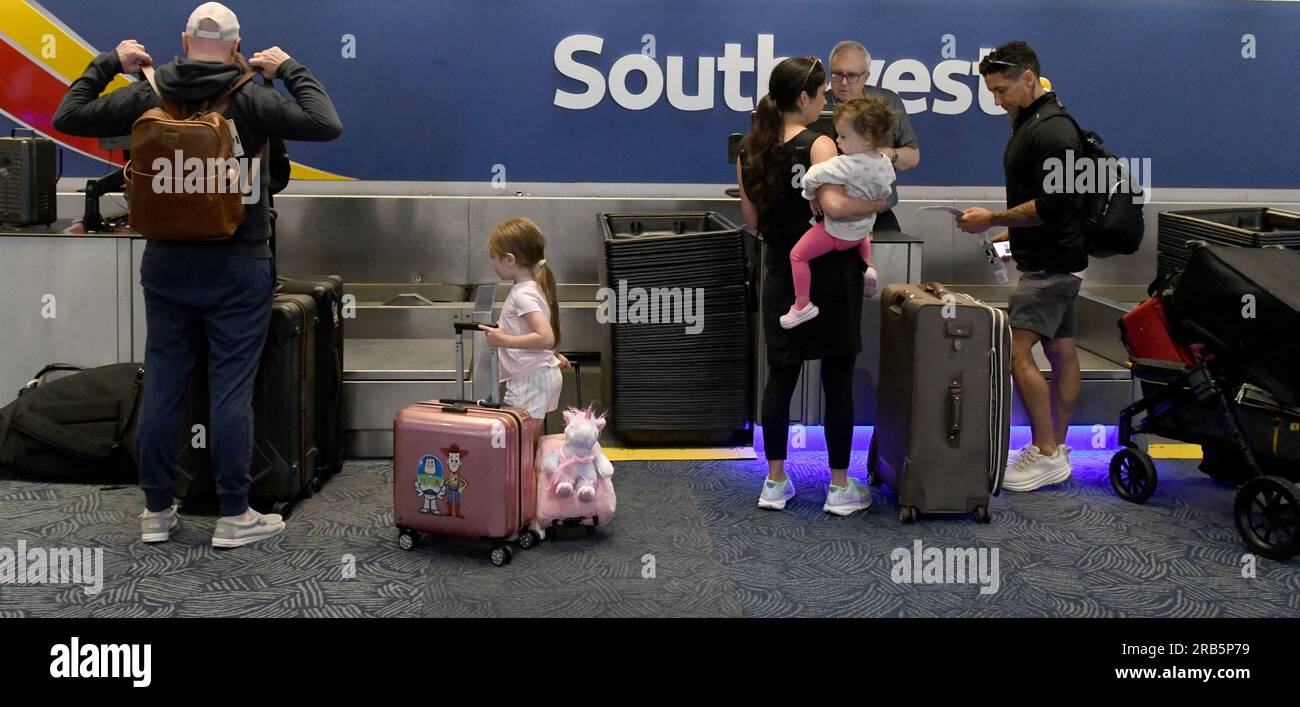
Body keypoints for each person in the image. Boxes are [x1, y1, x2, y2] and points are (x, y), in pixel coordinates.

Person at [53, 2, 342, 546]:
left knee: (163, 382)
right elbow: (326, 123)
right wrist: (289, 69)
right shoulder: (253, 96)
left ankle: (157, 511)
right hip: (237, 261)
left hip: (165, 261)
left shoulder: (149, 92)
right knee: (229, 389)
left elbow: (68, 116)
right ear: (236, 45)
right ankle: (235, 516)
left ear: (184, 41)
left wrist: (108, 61)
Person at [736, 56, 888, 516]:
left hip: (781, 271)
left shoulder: (748, 149)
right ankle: (839, 487)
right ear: (803, 98)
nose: (826, 100)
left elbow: (752, 220)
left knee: (780, 377)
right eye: (821, 94)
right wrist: (878, 201)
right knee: (837, 378)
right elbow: (835, 209)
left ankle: (775, 481)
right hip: (830, 273)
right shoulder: (820, 144)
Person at [957, 41, 1086, 492]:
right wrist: (1011, 231)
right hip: (1056, 261)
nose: (997, 100)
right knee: (1061, 351)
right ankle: (1058, 447)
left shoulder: (1052, 131)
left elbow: (1055, 205)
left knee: (1014, 351)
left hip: (1049, 269)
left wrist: (992, 218)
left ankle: (1047, 452)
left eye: (1002, 89)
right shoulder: (1038, 124)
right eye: (991, 92)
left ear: (1028, 78)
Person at [781, 96, 896, 329]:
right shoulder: (885, 162)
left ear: (865, 140)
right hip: (862, 231)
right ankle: (869, 266)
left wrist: (811, 194)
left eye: (843, 137)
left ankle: (802, 304)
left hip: (838, 235)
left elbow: (811, 176)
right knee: (862, 229)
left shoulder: (845, 164)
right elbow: (885, 190)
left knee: (797, 256)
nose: (837, 141)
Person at [820, 40, 921, 233]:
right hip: (831, 216)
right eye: (837, 74)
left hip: (878, 215)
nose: (843, 82)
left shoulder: (888, 103)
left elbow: (913, 157)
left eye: (852, 76)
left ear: (866, 76)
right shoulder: (818, 106)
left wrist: (886, 154)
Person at [480, 217, 566, 421]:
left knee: (522, 446)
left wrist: (502, 340)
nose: (492, 263)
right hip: (534, 376)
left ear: (509, 259)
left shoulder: (522, 295)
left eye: (493, 257)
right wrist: (552, 356)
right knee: (523, 443)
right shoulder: (534, 286)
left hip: (530, 380)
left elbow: (545, 337)